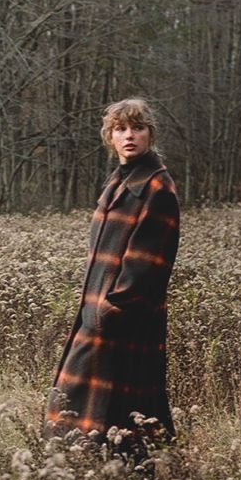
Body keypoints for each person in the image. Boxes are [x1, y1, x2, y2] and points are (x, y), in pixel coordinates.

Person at [44, 97, 180, 449]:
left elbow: (148, 262)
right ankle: (95, 478)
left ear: (150, 134)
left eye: (138, 128)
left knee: (120, 409)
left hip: (124, 318)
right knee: (97, 407)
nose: (129, 136)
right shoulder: (118, 182)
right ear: (110, 137)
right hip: (99, 312)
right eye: (120, 129)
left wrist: (112, 311)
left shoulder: (156, 187)